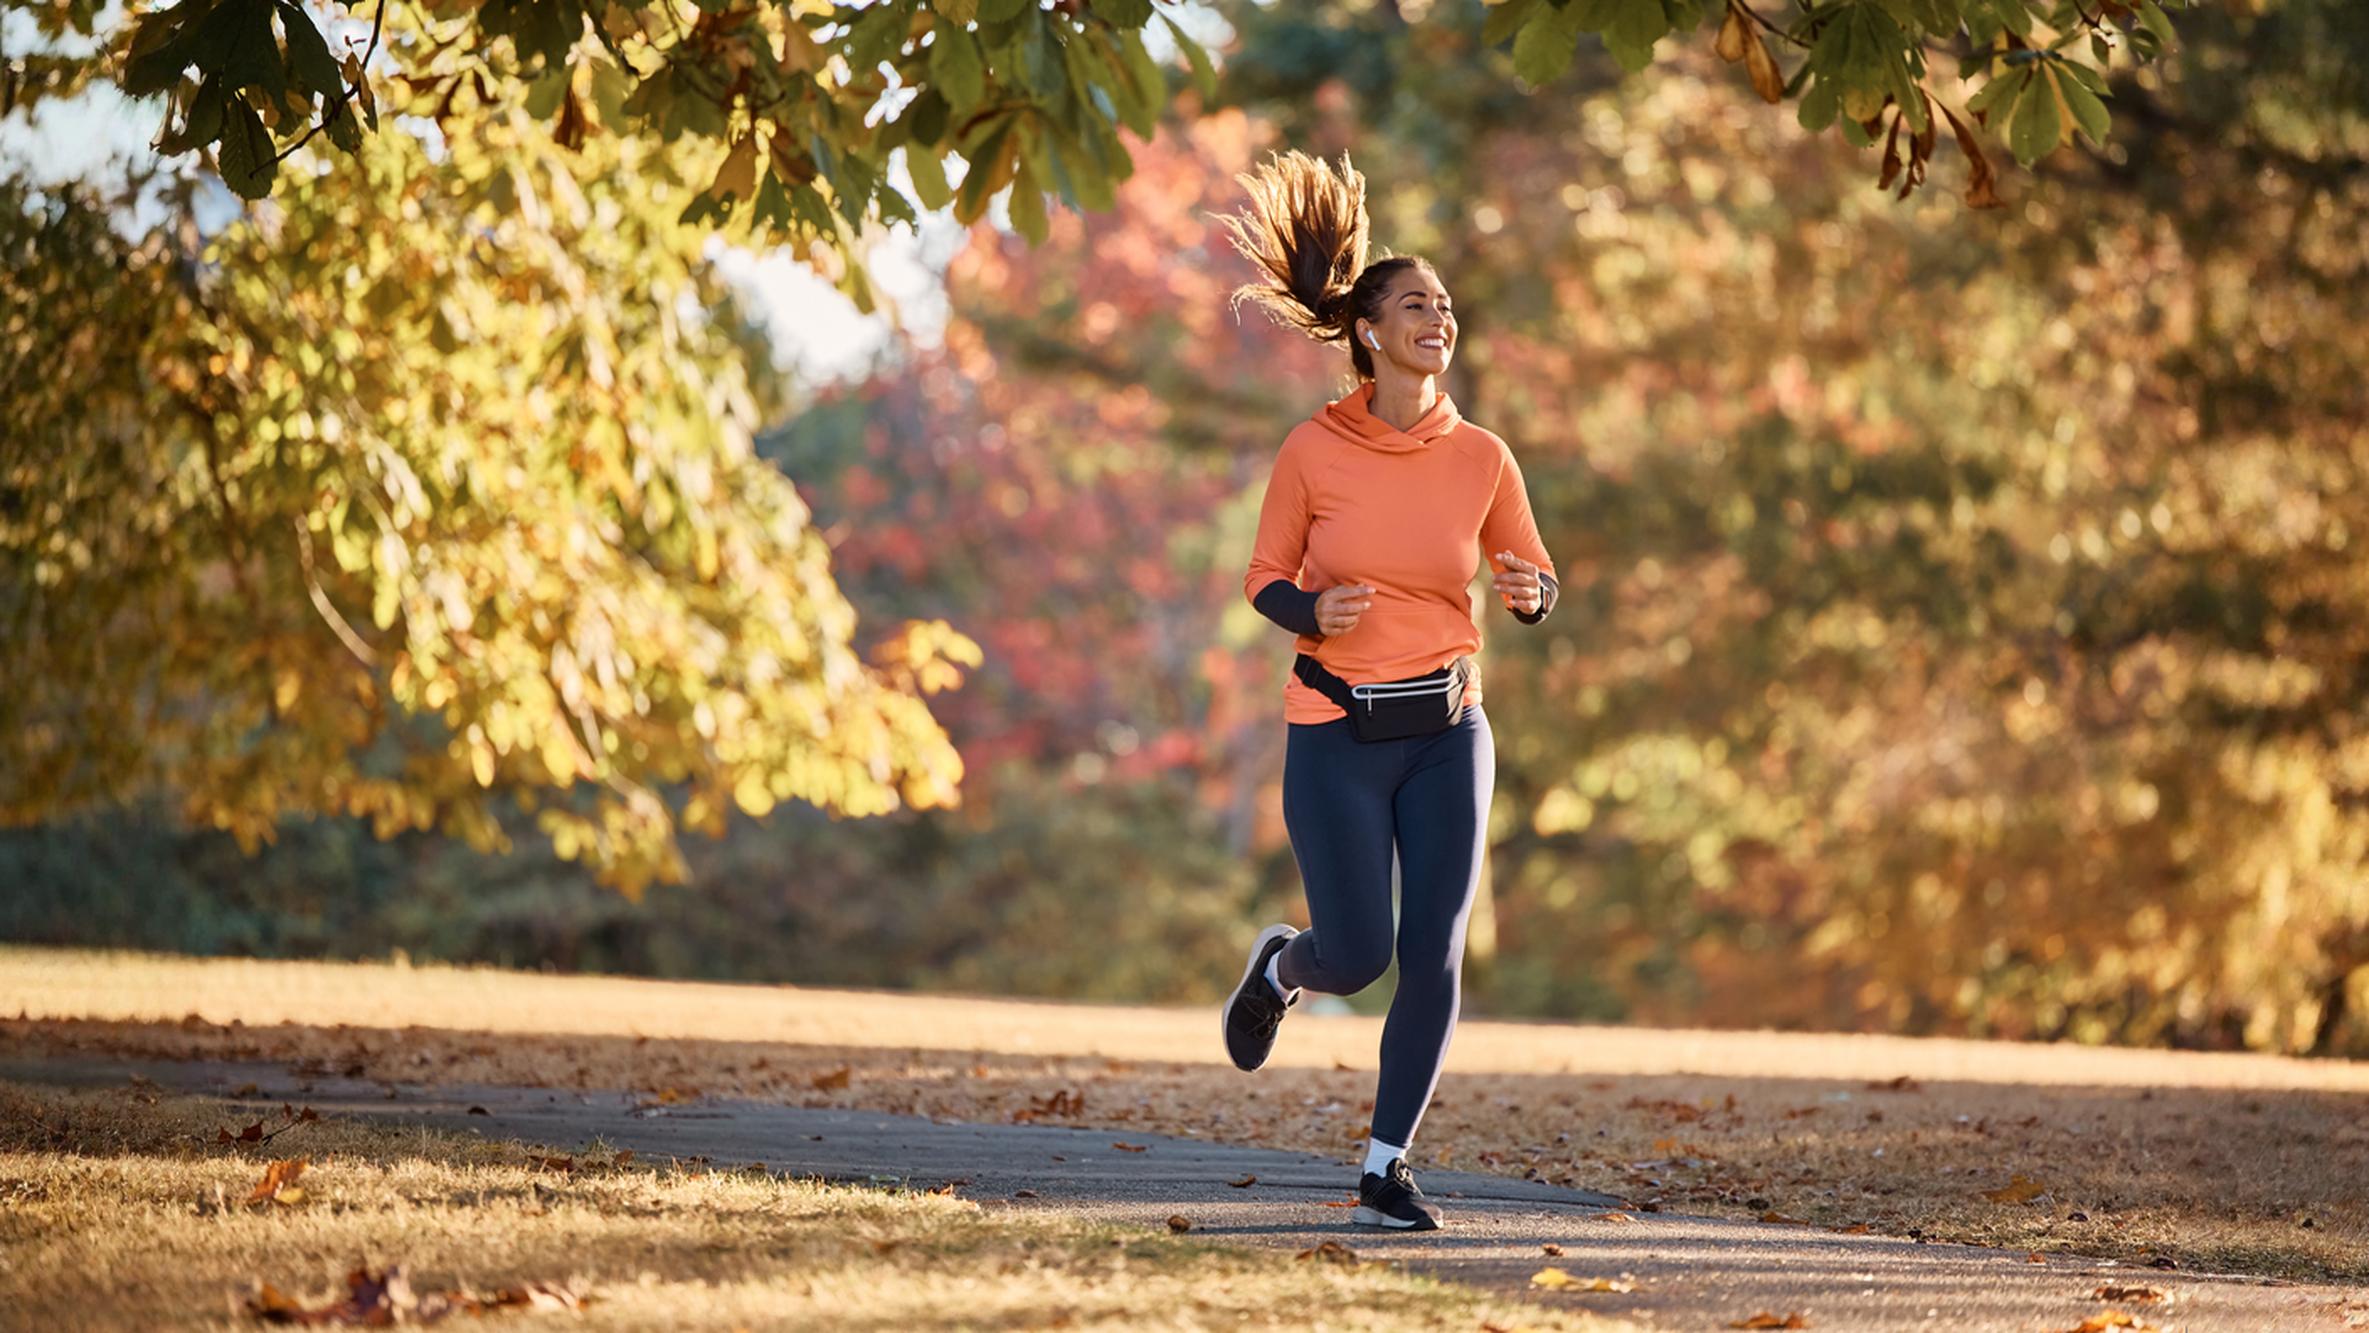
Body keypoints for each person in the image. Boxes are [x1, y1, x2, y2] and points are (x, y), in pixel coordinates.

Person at [1216, 151, 1559, 1232]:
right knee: (1356, 955)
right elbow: (1263, 578)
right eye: (1415, 303)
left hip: (1448, 729)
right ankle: (1283, 963)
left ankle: (1383, 1164)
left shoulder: (1484, 457)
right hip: (1334, 730)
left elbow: (1535, 574)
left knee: (1434, 948)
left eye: (1446, 306)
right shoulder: (1314, 449)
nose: (1437, 318)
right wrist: (1309, 614)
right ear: (1367, 329)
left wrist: (1528, 591)